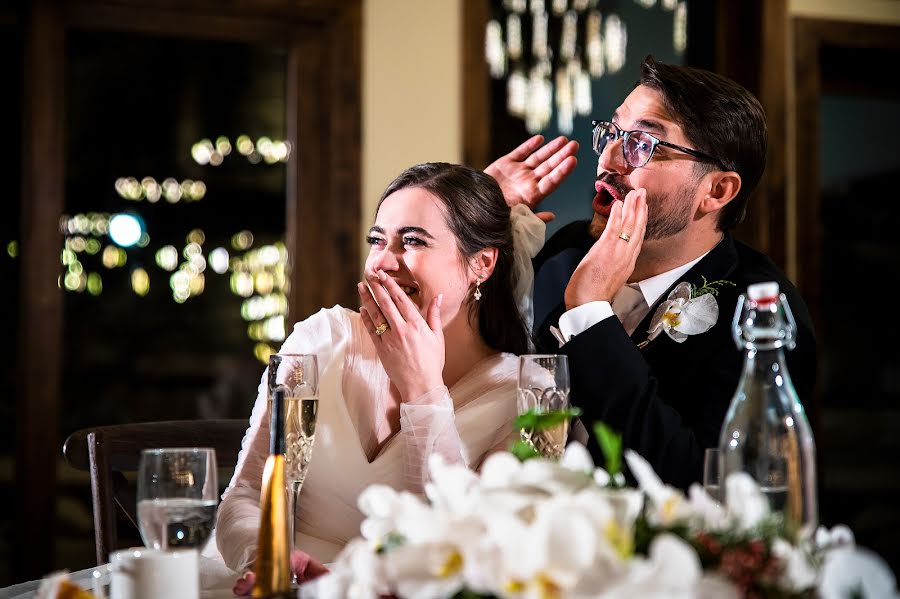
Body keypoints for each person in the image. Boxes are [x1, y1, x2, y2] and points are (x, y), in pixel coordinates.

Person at [486, 55, 817, 491]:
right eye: (612, 132)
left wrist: (588, 315)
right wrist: (482, 211)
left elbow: (702, 483)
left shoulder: (759, 311)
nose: (608, 158)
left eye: (642, 142)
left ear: (716, 191)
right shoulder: (566, 254)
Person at [213, 162, 549, 584]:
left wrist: (424, 392)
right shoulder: (320, 342)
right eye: (377, 240)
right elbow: (247, 497)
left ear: (481, 263)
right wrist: (270, 561)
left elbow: (472, 549)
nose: (383, 263)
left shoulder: (529, 393)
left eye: (412, 241)